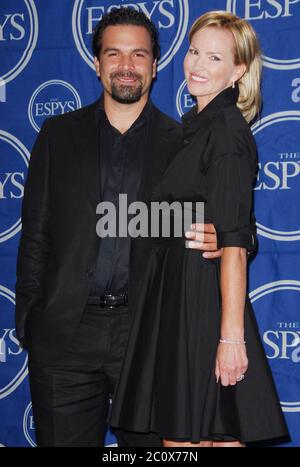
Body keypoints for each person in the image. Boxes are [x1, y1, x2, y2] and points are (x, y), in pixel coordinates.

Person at [14, 8, 243, 447]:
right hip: (65, 339)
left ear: (155, 66)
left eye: (138, 54)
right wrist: (30, 321)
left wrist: (232, 239)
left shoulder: (184, 142)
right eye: (113, 54)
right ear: (97, 64)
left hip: (151, 337)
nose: (125, 65)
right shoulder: (57, 135)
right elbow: (35, 236)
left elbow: (234, 223)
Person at [110, 11, 289, 447]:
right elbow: (184, 220)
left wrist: (231, 338)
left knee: (190, 441)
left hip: (200, 305)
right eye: (193, 52)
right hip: (181, 300)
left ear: (239, 71)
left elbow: (231, 243)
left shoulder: (225, 132)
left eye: (214, 57)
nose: (197, 66)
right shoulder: (197, 129)